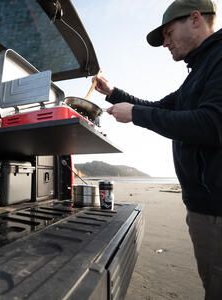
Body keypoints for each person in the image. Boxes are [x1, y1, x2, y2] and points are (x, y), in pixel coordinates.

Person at [94, 0, 222, 299]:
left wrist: (136, 115)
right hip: (205, 208)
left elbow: (213, 124)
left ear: (194, 19)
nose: (165, 43)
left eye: (167, 33)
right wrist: (112, 93)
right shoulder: (199, 71)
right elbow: (160, 107)